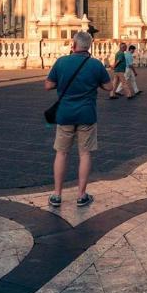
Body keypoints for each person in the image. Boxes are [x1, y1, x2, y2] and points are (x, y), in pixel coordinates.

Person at [45, 31, 112, 207]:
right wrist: (93, 82)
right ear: (89, 46)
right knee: (85, 154)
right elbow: (109, 86)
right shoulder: (96, 65)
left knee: (61, 153)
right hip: (87, 115)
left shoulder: (61, 62)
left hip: (65, 114)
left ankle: (57, 195)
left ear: (73, 45)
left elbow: (48, 85)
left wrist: (63, 82)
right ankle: (81, 195)